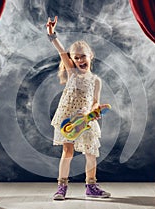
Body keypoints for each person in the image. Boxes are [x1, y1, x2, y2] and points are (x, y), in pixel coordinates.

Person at [46, 16, 111, 200]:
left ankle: (91, 186)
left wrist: (96, 111)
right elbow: (60, 50)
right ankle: (61, 187)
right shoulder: (72, 73)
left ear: (91, 56)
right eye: (76, 57)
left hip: (86, 119)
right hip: (68, 119)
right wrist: (52, 35)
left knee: (91, 153)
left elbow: (95, 101)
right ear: (72, 61)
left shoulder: (96, 80)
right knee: (68, 151)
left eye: (83, 56)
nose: (80, 59)